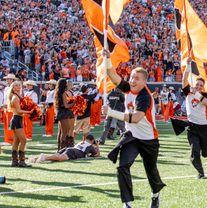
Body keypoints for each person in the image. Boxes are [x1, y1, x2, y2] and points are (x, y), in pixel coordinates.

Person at [102, 49, 165, 208]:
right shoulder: (127, 87)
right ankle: (127, 203)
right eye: (131, 77)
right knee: (123, 165)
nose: (132, 81)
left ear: (145, 82)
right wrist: (108, 59)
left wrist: (111, 112)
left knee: (151, 170)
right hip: (131, 136)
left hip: (149, 139)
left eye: (137, 79)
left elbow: (136, 118)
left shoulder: (145, 96)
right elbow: (112, 75)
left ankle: (155, 194)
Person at [182, 56, 207, 179]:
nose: (199, 86)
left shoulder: (204, 94)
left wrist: (197, 93)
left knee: (205, 153)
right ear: (194, 84)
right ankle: (200, 172)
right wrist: (187, 66)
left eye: (201, 85)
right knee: (194, 151)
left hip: (204, 127)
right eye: (197, 84)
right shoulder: (188, 92)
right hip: (192, 126)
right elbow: (184, 80)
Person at [8, 81, 32, 167]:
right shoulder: (15, 98)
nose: (18, 86)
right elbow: (18, 111)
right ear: (13, 88)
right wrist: (29, 111)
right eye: (16, 85)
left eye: (19, 85)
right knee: (23, 140)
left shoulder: (18, 96)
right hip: (16, 119)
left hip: (18, 119)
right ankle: (22, 161)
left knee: (16, 141)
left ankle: (14, 161)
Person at [32, 134, 100, 163]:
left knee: (55, 156)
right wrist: (97, 145)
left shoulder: (82, 142)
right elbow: (97, 155)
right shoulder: (90, 146)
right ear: (92, 141)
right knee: (59, 158)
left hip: (68, 148)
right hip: (73, 152)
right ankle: (44, 158)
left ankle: (35, 159)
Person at [54, 79, 75, 150]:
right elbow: (66, 105)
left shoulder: (57, 93)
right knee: (64, 132)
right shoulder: (63, 94)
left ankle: (59, 146)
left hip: (59, 112)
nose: (67, 84)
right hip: (63, 113)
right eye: (66, 83)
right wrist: (73, 104)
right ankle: (63, 148)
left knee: (60, 132)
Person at [2, 74, 18, 145]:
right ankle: (6, 139)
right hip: (6, 107)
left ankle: (10, 140)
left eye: (8, 79)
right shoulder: (6, 88)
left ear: (12, 80)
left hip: (10, 107)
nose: (6, 80)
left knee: (9, 124)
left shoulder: (14, 88)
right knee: (5, 124)